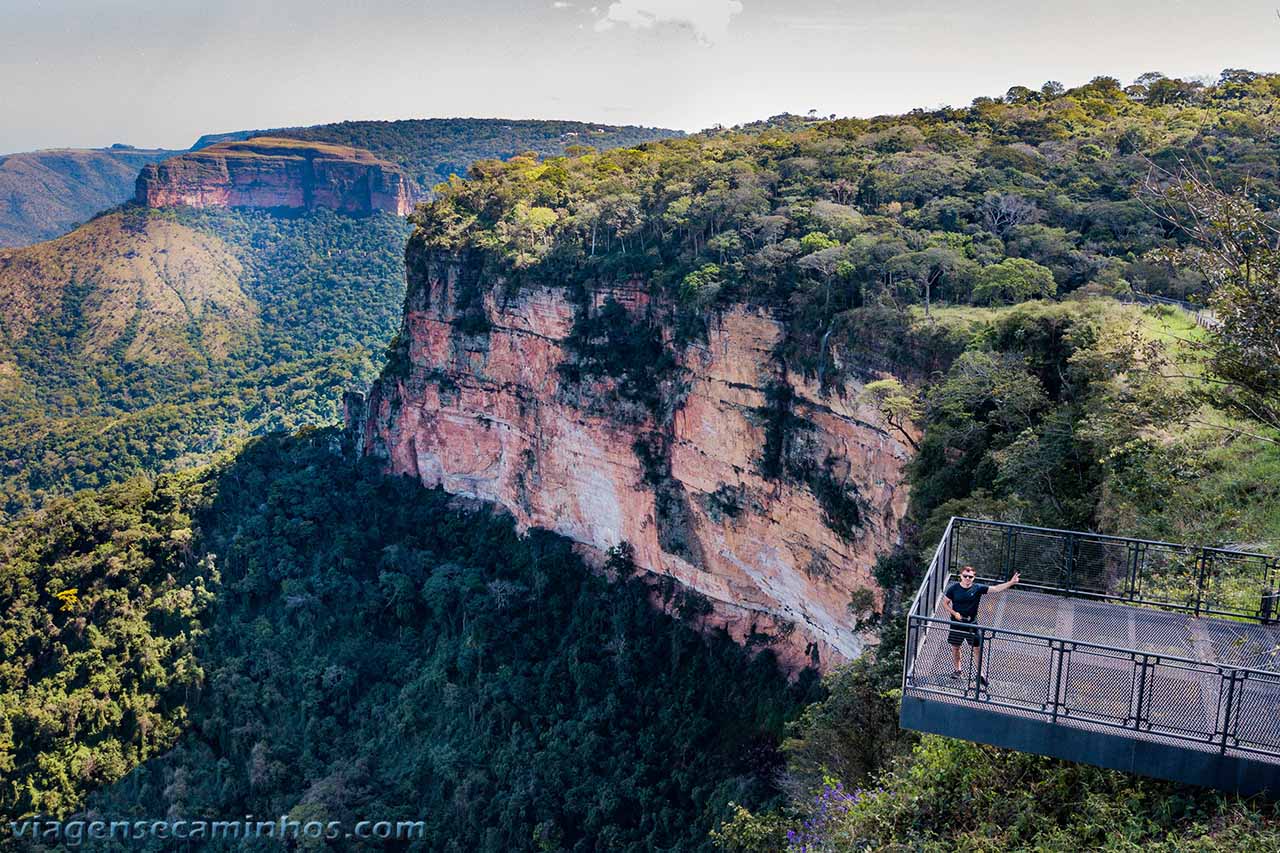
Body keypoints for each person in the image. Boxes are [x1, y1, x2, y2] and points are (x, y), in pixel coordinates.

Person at [942, 565, 1019, 685]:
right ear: (960, 576)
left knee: (977, 649)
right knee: (956, 647)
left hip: (972, 623)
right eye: (965, 576)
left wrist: (1011, 582)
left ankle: (980, 674)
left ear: (974, 577)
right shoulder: (953, 589)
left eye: (970, 577)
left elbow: (996, 588)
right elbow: (945, 603)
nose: (967, 578)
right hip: (956, 623)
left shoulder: (977, 588)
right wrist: (954, 613)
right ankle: (957, 671)